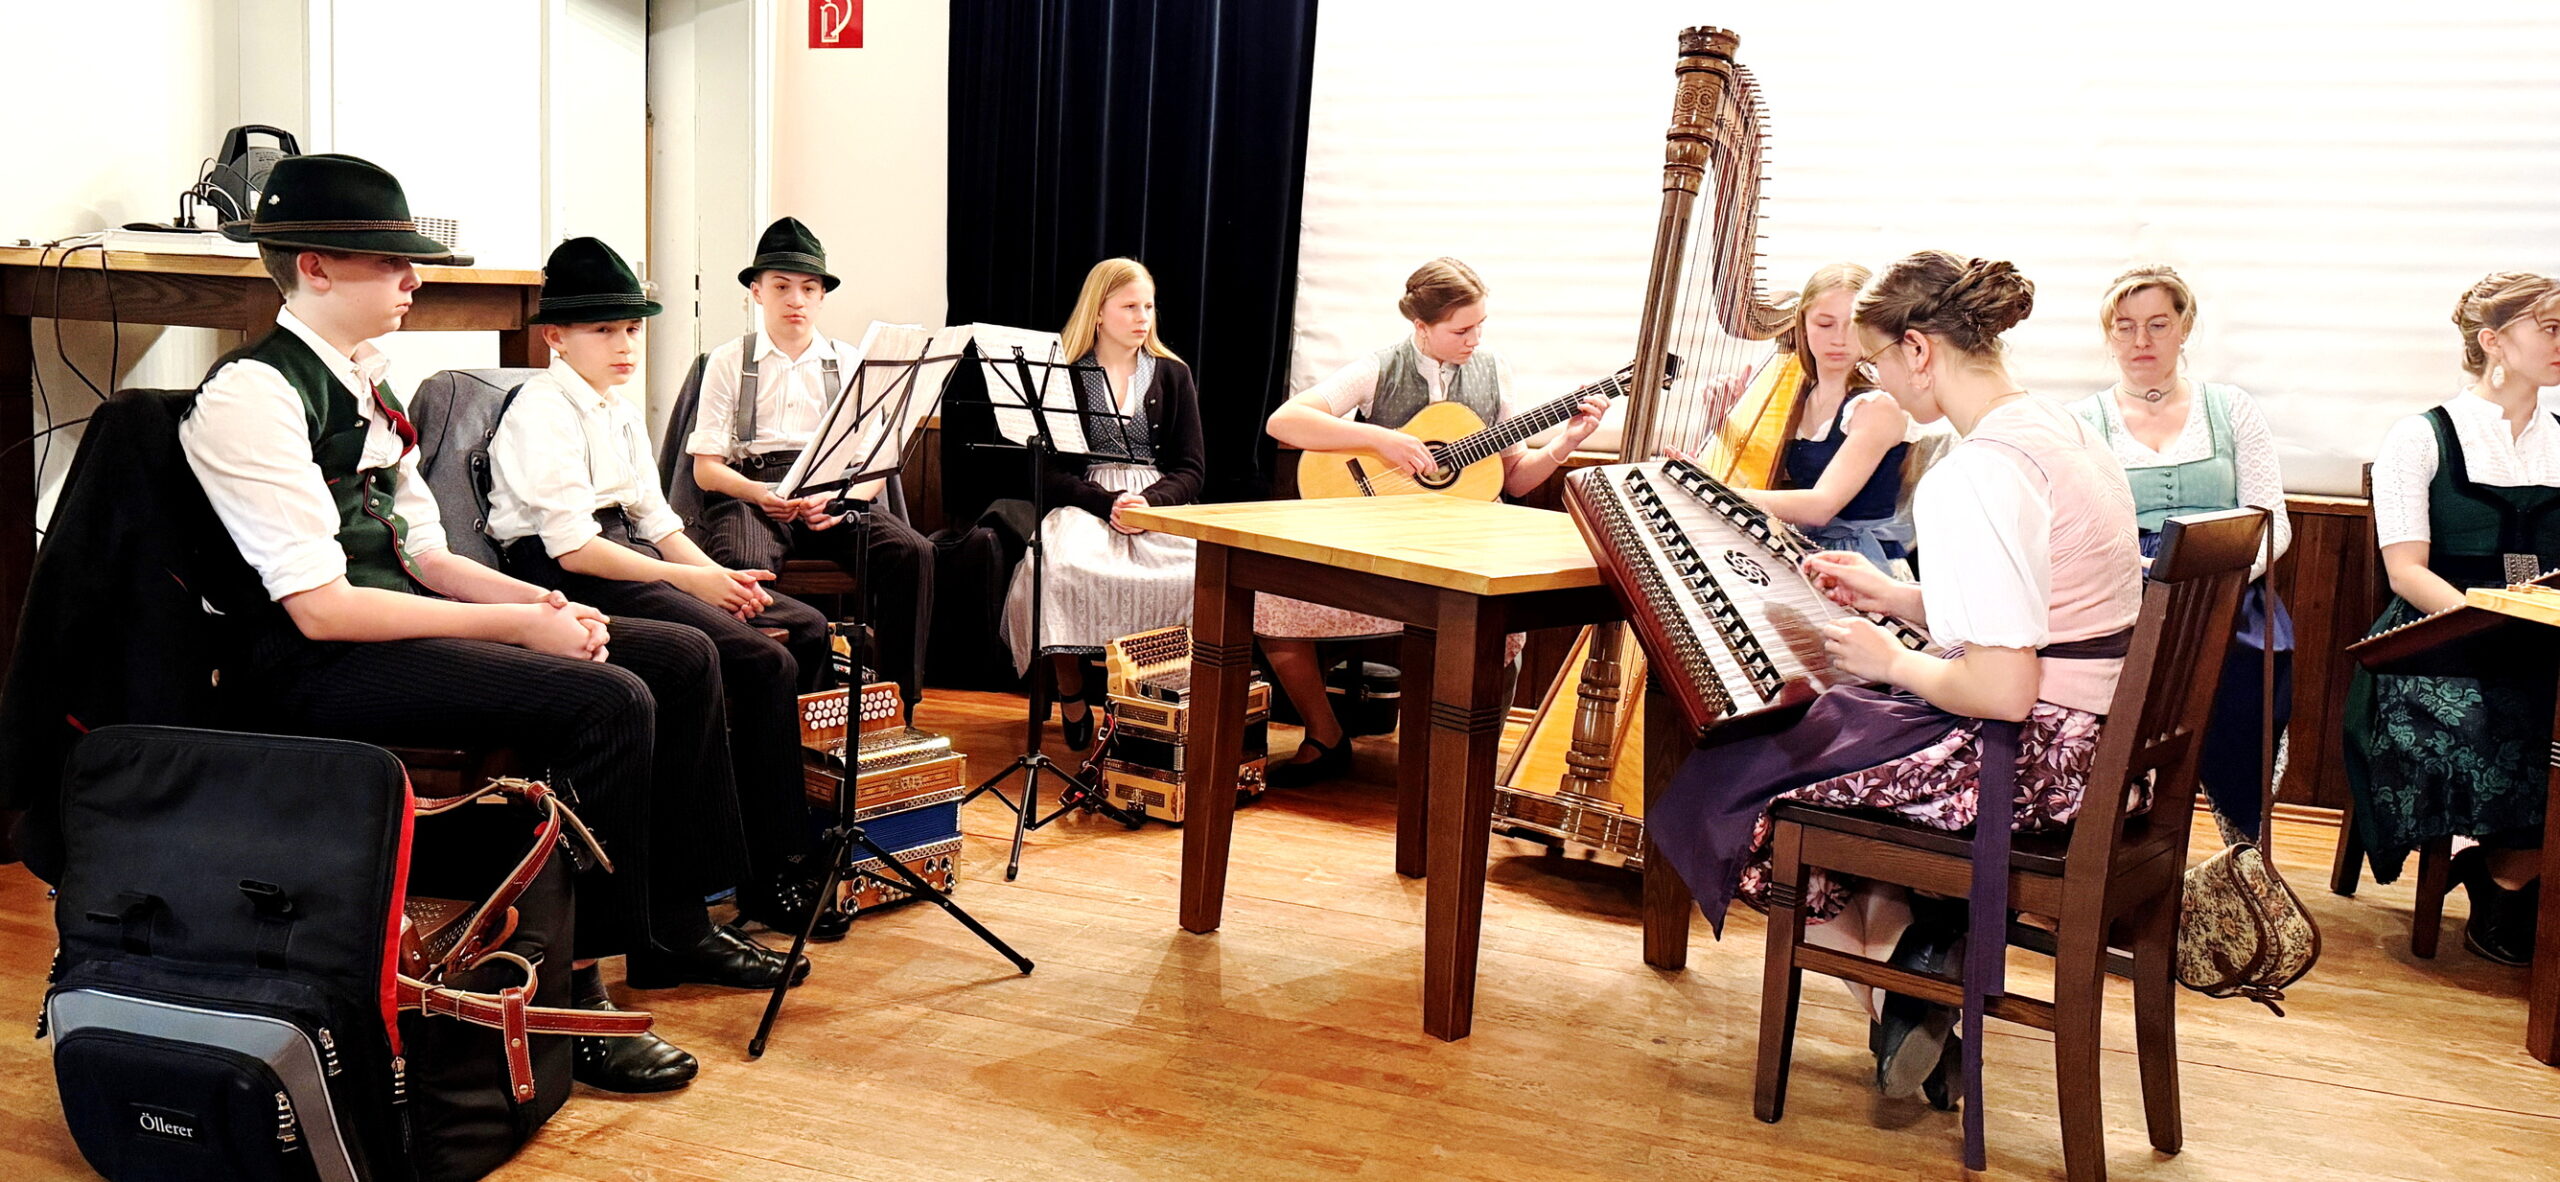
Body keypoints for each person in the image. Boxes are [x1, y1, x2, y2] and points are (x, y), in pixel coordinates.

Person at [180, 154, 802, 1097]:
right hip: (311, 659)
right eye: (391, 263)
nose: (412, 280)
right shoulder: (252, 394)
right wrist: (512, 632)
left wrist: (533, 605)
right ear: (314, 267)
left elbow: (429, 555)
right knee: (607, 701)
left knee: (681, 655)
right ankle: (571, 993)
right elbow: (320, 606)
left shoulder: (368, 381)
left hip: (395, 625)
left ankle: (672, 925)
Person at [1647, 251, 2140, 1103]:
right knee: (1821, 732)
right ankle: (1906, 980)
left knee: (1728, 783)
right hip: (2100, 746)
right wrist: (1899, 597)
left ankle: (1898, 987)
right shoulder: (2061, 430)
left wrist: (1893, 659)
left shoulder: (1977, 472)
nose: (1877, 382)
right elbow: (2043, 608)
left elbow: (2003, 691)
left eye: (1878, 361)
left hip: (2029, 767)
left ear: (1919, 349)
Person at [486, 236, 845, 941]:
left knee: (803, 628)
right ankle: (768, 869)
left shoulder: (617, 408)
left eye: (631, 329)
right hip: (570, 573)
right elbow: (574, 547)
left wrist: (715, 576)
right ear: (556, 337)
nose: (625, 346)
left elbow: (656, 520)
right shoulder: (542, 410)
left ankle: (784, 828)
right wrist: (692, 580)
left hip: (632, 555)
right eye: (604, 330)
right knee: (762, 660)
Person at [1258, 258, 1605, 786]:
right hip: (1382, 546)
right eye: (1460, 330)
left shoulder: (1494, 371)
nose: (1474, 340)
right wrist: (1381, 439)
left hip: (1463, 548)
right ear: (1421, 326)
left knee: (1504, 619)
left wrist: (1564, 443)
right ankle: (1325, 734)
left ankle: (1468, 764)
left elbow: (1513, 479)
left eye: (1480, 326)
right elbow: (1284, 421)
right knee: (1272, 601)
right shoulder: (1378, 367)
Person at [2346, 271, 2560, 966]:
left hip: (2546, 636)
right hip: (2436, 638)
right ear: (2493, 341)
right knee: (2483, 719)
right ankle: (2504, 876)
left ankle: (2519, 870)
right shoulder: (2421, 436)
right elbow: (2406, 571)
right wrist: (2491, 622)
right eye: (2550, 328)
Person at [2068, 265, 2293, 843]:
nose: (2141, 340)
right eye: (2125, 326)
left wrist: (2216, 578)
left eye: (2158, 324)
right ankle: (2120, 849)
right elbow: (2080, 528)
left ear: (2185, 327)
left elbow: (2272, 523)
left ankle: (2243, 844)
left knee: (2254, 670)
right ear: (2109, 334)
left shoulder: (2232, 407)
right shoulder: (2082, 421)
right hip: (2126, 590)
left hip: (2230, 587)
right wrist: (2143, 575)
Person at [682, 217, 936, 714]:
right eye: (781, 286)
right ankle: (778, 702)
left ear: (822, 297)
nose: (795, 299)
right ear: (757, 292)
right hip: (753, 492)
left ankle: (897, 702)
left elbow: (877, 461)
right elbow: (705, 470)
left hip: (833, 493)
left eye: (808, 288)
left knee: (914, 552)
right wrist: (761, 494)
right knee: (740, 563)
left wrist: (842, 500)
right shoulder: (728, 360)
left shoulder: (850, 361)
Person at [999, 258, 1206, 747]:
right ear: (1097, 311)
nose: (1142, 318)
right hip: (1088, 502)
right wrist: (1107, 503)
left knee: (1199, 574)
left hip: (1156, 506)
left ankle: (1157, 702)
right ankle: (1072, 695)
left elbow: (1192, 468)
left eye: (1148, 307)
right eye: (1129, 306)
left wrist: (1148, 503)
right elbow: (1050, 473)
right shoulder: (1064, 376)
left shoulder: (1173, 374)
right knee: (1052, 568)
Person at [1721, 262, 1918, 571]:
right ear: (1802, 326)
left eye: (1853, 326)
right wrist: (1723, 420)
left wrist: (1715, 492)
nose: (1839, 339)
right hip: (1805, 550)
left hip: (1864, 564)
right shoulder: (1794, 399)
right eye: (1825, 324)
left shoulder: (1876, 408)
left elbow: (1821, 506)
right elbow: (1751, 467)